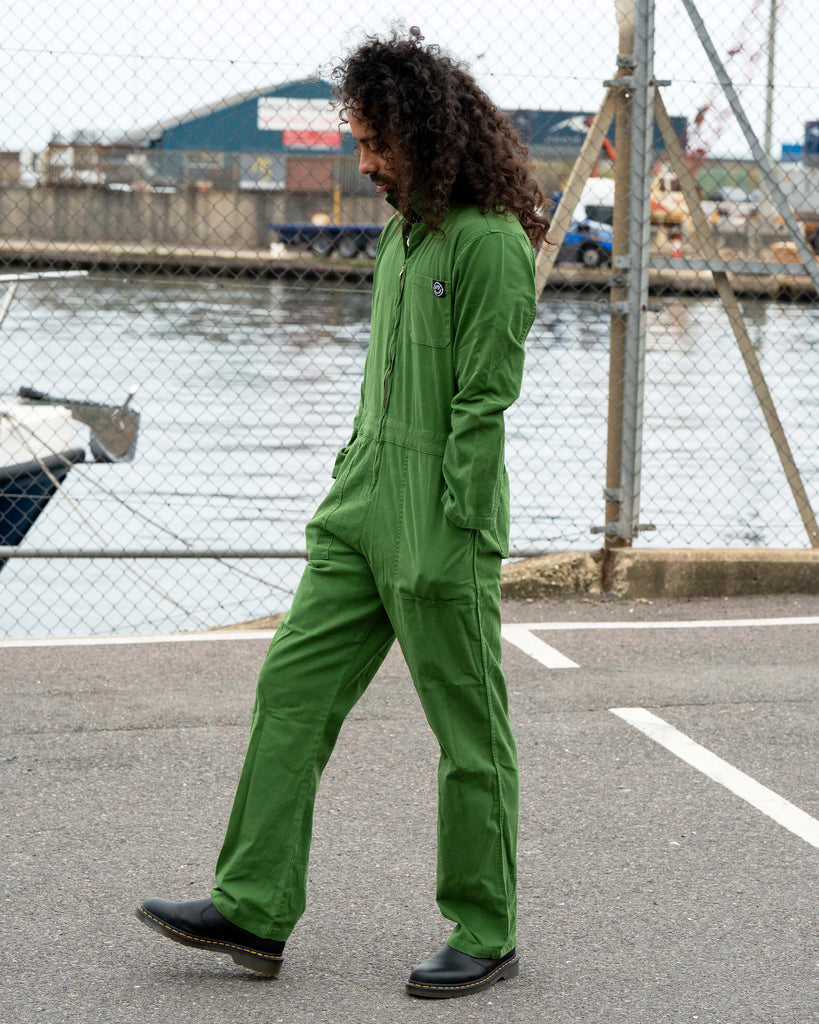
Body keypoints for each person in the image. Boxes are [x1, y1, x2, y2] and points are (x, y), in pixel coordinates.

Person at [136, 27, 549, 1000]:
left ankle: (486, 926)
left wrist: (458, 531)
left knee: (467, 730)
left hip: (440, 518)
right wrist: (347, 483)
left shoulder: (488, 242)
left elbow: (483, 403)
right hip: (361, 504)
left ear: (429, 133)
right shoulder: (404, 232)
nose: (365, 163)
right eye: (359, 140)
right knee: (290, 686)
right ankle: (253, 904)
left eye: (379, 143)